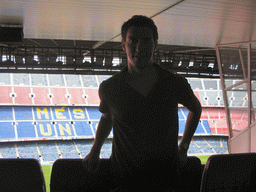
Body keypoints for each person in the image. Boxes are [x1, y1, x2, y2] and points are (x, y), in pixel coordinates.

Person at [82, 15, 202, 192]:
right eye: (133, 40)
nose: (139, 47)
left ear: (155, 44)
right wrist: (95, 151)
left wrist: (184, 147)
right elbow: (107, 118)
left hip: (165, 182)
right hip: (123, 182)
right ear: (123, 44)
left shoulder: (174, 83)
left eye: (146, 40)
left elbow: (196, 109)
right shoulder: (109, 88)